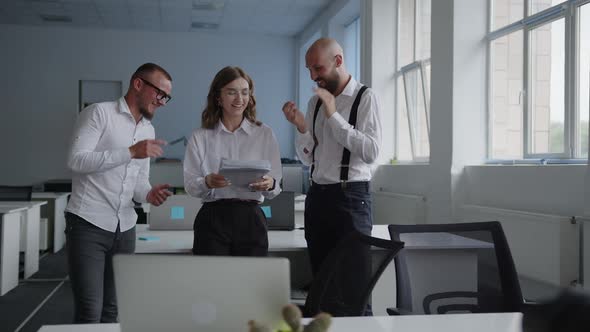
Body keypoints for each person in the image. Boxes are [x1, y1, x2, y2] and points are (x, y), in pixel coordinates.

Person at [65, 63, 173, 323]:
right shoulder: (99, 113)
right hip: (88, 224)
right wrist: (130, 152)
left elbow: (139, 179)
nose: (162, 102)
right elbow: (76, 160)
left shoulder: (148, 129)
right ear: (138, 84)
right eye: (160, 94)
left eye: (166, 97)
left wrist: (148, 194)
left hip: (125, 228)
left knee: (114, 310)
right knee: (90, 310)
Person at [282, 38, 382, 314]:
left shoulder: (365, 97)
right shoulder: (315, 102)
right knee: (323, 286)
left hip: (351, 199)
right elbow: (308, 158)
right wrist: (302, 128)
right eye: (309, 70)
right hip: (318, 198)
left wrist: (334, 115)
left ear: (338, 61)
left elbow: (372, 151)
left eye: (318, 68)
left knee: (354, 288)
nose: (313, 77)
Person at [184, 66, 282, 257]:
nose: (239, 99)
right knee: (214, 282)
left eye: (245, 92)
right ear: (218, 98)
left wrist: (270, 184)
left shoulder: (264, 133)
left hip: (251, 218)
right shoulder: (200, 137)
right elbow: (190, 186)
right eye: (231, 92)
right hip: (213, 218)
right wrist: (206, 182)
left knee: (251, 281)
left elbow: (276, 185)